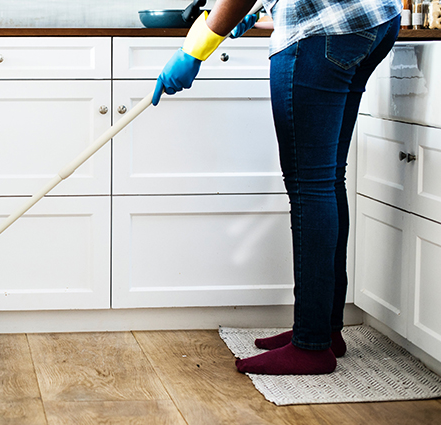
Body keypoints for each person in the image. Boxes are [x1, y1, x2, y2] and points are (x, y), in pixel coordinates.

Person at [153, 0, 402, 375]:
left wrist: (197, 47)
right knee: (328, 178)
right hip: (374, 19)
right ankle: (324, 329)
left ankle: (311, 346)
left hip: (322, 32)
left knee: (311, 186)